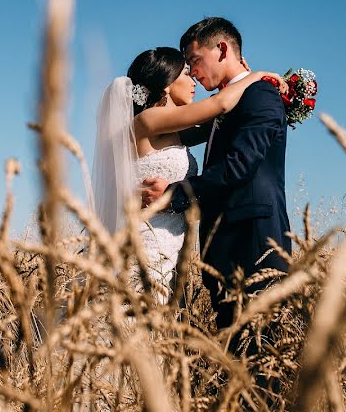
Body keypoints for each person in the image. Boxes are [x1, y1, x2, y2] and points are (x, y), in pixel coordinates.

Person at [91, 46, 284, 300]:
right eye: (185, 73)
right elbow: (220, 104)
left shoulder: (173, 131)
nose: (193, 78)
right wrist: (255, 76)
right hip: (148, 242)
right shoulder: (148, 120)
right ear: (167, 84)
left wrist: (240, 80)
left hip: (168, 244)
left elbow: (216, 124)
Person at [140, 18, 292, 330]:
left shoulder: (260, 95)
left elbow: (239, 165)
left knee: (260, 359)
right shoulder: (226, 103)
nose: (193, 72)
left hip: (254, 244)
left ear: (221, 49)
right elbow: (207, 116)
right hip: (221, 250)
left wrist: (173, 194)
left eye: (195, 61)